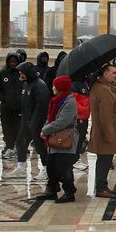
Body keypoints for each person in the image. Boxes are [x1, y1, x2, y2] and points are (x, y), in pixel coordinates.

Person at [36, 76, 79, 204]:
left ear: (60, 87)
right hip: (54, 137)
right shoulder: (56, 100)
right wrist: (45, 129)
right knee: (51, 165)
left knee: (63, 167)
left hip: (64, 138)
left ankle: (69, 191)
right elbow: (50, 117)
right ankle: (52, 189)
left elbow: (62, 122)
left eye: (55, 86)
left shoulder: (69, 102)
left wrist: (45, 130)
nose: (53, 88)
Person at [4, 62, 49, 178]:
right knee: (21, 142)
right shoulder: (27, 84)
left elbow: (41, 106)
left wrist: (35, 121)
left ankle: (46, 169)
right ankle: (21, 168)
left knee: (39, 146)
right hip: (26, 121)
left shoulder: (39, 85)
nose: (20, 75)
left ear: (27, 73)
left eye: (21, 73)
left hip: (36, 123)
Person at [88, 64, 116, 198]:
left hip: (105, 131)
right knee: (104, 161)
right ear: (105, 74)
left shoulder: (105, 87)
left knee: (105, 160)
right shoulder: (103, 90)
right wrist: (109, 135)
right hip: (106, 132)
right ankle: (101, 188)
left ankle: (103, 186)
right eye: (114, 73)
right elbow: (106, 115)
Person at [0, 51, 24, 158]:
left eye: (15, 61)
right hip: (6, 107)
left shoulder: (22, 74)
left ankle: (18, 147)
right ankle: (9, 147)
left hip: (19, 108)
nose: (13, 64)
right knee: (7, 129)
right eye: (11, 61)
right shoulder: (1, 74)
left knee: (18, 128)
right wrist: (4, 99)